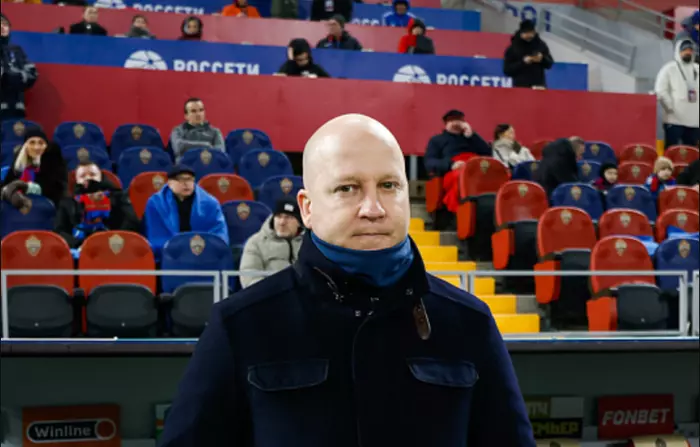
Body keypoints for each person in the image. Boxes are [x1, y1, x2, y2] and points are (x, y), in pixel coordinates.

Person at [158, 113, 535, 446]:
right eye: (347, 188)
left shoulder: (470, 322)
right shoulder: (240, 326)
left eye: (389, 186)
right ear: (307, 208)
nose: (373, 208)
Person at [143, 164, 228, 259]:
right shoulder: (156, 203)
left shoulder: (210, 203)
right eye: (180, 180)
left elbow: (219, 234)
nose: (186, 183)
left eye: (189, 179)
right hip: (170, 256)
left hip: (203, 254)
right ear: (170, 183)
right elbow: (156, 235)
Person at [54, 161, 139, 248]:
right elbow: (59, 231)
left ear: (100, 177)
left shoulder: (118, 197)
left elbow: (131, 222)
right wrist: (81, 244)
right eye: (82, 176)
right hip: (80, 248)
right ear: (77, 180)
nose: (88, 178)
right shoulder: (68, 203)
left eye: (92, 174)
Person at [424, 109, 491, 215]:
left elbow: (488, 154)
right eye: (452, 121)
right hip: (454, 171)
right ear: (446, 123)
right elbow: (430, 162)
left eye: (459, 121)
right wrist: (451, 165)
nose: (456, 124)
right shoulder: (437, 140)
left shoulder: (472, 139)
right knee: (462, 178)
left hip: (476, 168)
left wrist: (472, 135)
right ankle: (462, 213)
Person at [239, 197, 305, 288]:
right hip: (269, 294)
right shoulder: (256, 242)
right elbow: (249, 277)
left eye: (288, 217)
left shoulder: (310, 242)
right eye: (278, 216)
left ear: (299, 222)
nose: (282, 222)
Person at [1, 128, 66, 209]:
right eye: (32, 142)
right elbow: (8, 184)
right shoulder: (19, 160)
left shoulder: (52, 159)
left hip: (44, 206)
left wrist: (25, 187)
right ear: (26, 145)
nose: (36, 147)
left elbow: (54, 189)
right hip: (17, 206)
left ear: (46, 145)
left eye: (41, 143)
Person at [655, 39, 700, 149]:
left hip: (695, 120)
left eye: (690, 50)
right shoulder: (669, 68)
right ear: (678, 52)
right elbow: (660, 90)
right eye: (684, 50)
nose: (688, 53)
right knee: (671, 151)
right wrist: (670, 107)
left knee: (692, 153)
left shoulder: (697, 69)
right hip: (674, 119)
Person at [1, 13, 38, 122]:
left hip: (15, 109)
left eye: (5, 24)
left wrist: (17, 76)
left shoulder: (16, 49)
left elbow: (32, 73)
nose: (2, 27)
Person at [169, 98, 225, 163]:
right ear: (186, 116)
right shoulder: (177, 130)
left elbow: (220, 152)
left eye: (201, 110)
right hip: (186, 165)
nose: (198, 114)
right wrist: (207, 145)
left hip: (210, 165)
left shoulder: (215, 132)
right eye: (193, 111)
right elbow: (178, 147)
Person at [503, 19, 554, 89]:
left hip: (538, 86)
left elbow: (550, 64)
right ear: (521, 33)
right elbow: (507, 70)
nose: (530, 35)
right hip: (521, 87)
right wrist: (523, 62)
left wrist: (542, 59)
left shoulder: (540, 45)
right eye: (527, 33)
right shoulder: (512, 48)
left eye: (531, 33)